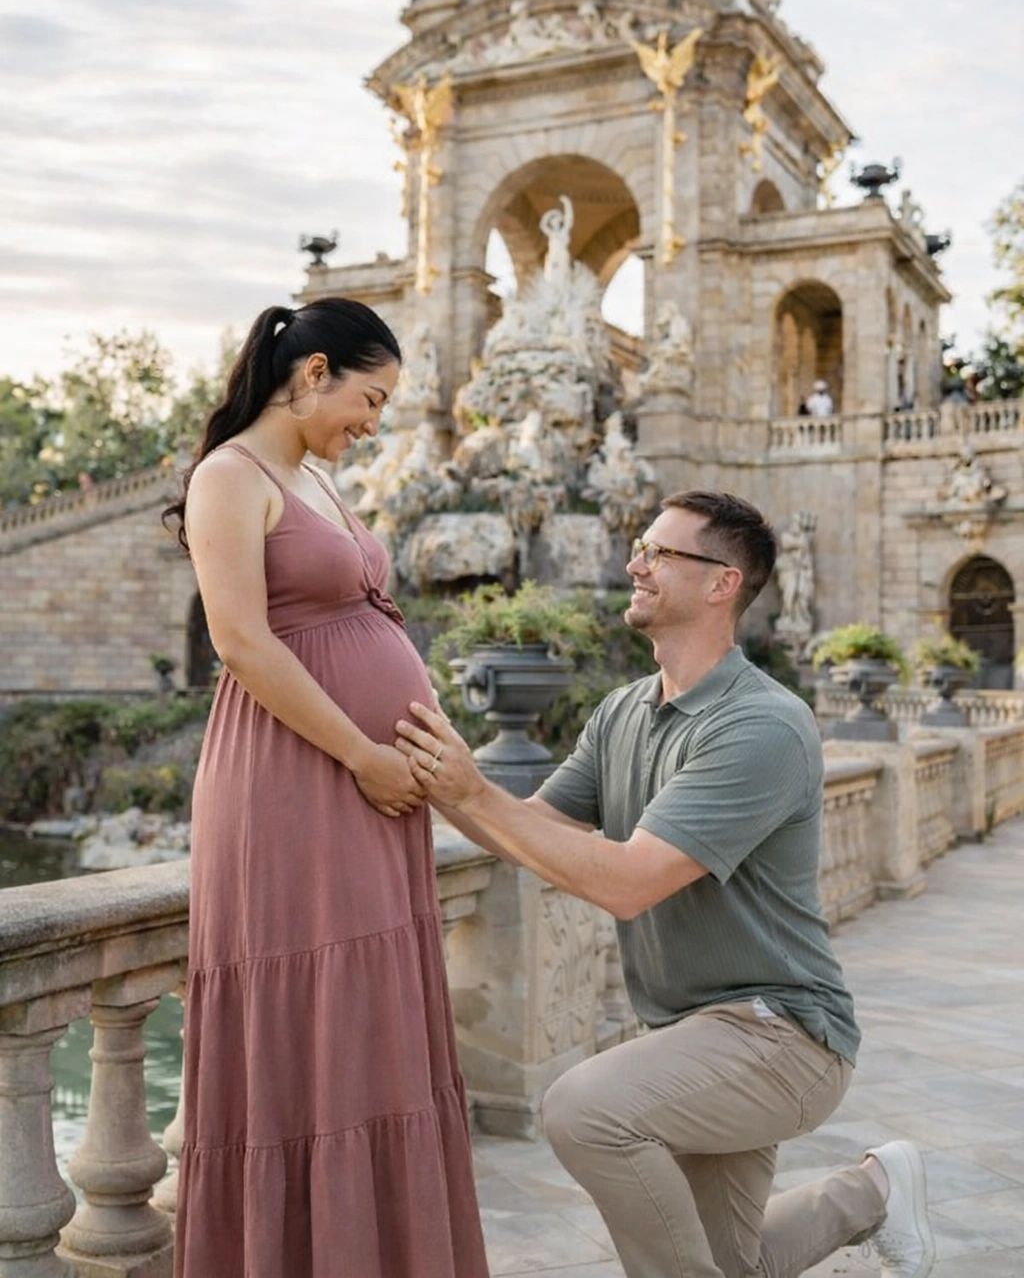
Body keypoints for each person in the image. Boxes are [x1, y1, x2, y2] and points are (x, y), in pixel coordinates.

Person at [396, 490, 935, 1278]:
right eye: (639, 548)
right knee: (730, 1263)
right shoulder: (622, 713)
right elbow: (528, 830)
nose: (634, 564)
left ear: (722, 583)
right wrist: (432, 778)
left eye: (658, 552)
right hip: (690, 1035)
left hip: (782, 1036)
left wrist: (473, 791)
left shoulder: (761, 724)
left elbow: (627, 884)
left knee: (585, 1109)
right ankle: (877, 1189)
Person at [164, 298, 487, 1278]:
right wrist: (361, 752)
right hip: (297, 781)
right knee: (315, 1012)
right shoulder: (231, 476)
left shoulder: (311, 476)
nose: (373, 422)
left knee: (370, 1018)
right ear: (311, 375)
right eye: (369, 398)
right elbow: (243, 643)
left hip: (363, 787)